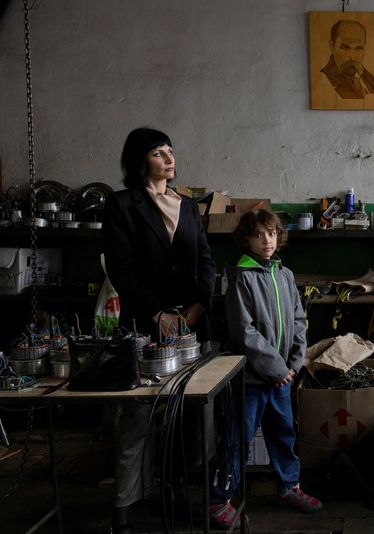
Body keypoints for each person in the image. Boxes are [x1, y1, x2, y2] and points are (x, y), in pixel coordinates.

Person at [103, 127, 217, 533]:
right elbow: (121, 268)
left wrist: (198, 306)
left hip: (190, 327)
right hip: (143, 326)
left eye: (170, 151)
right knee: (136, 417)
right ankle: (126, 509)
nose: (169, 158)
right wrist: (156, 313)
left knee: (187, 416)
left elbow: (206, 262)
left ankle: (177, 495)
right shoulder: (122, 205)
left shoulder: (187, 207)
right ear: (140, 160)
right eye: (158, 152)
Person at [208, 209, 321, 530]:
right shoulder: (241, 278)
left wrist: (294, 364)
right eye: (258, 235)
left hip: (283, 378)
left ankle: (289, 486)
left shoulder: (284, 275)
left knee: (284, 434)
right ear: (246, 239)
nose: (267, 241)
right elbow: (244, 333)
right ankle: (218, 500)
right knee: (237, 440)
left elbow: (299, 321)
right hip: (253, 379)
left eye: (271, 234)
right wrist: (276, 369)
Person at [321, 19, 374, 99]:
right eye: (345, 47)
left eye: (358, 48)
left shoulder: (369, 78)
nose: (352, 56)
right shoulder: (324, 81)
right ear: (332, 47)